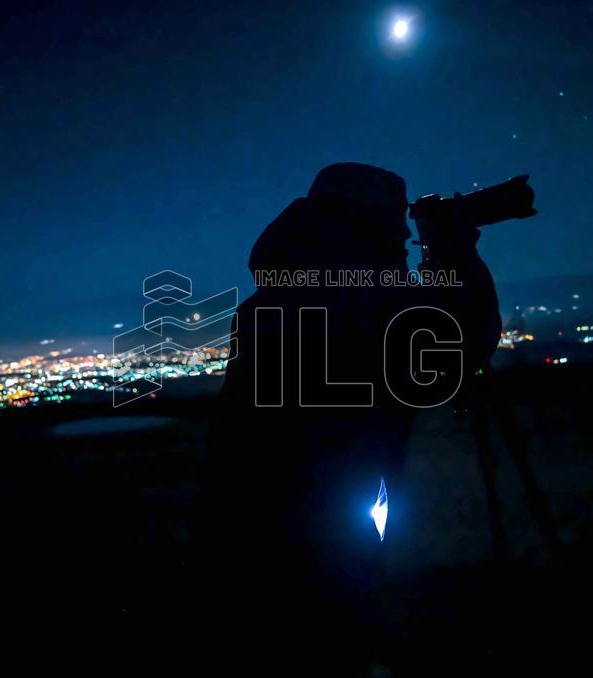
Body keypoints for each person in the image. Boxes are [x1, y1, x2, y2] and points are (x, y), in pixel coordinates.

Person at [199, 162, 501, 665]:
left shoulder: (281, 291)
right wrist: (452, 249)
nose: (403, 236)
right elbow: (465, 339)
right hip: (333, 526)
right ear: (368, 224)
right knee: (335, 638)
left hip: (252, 517)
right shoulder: (363, 296)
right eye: (396, 223)